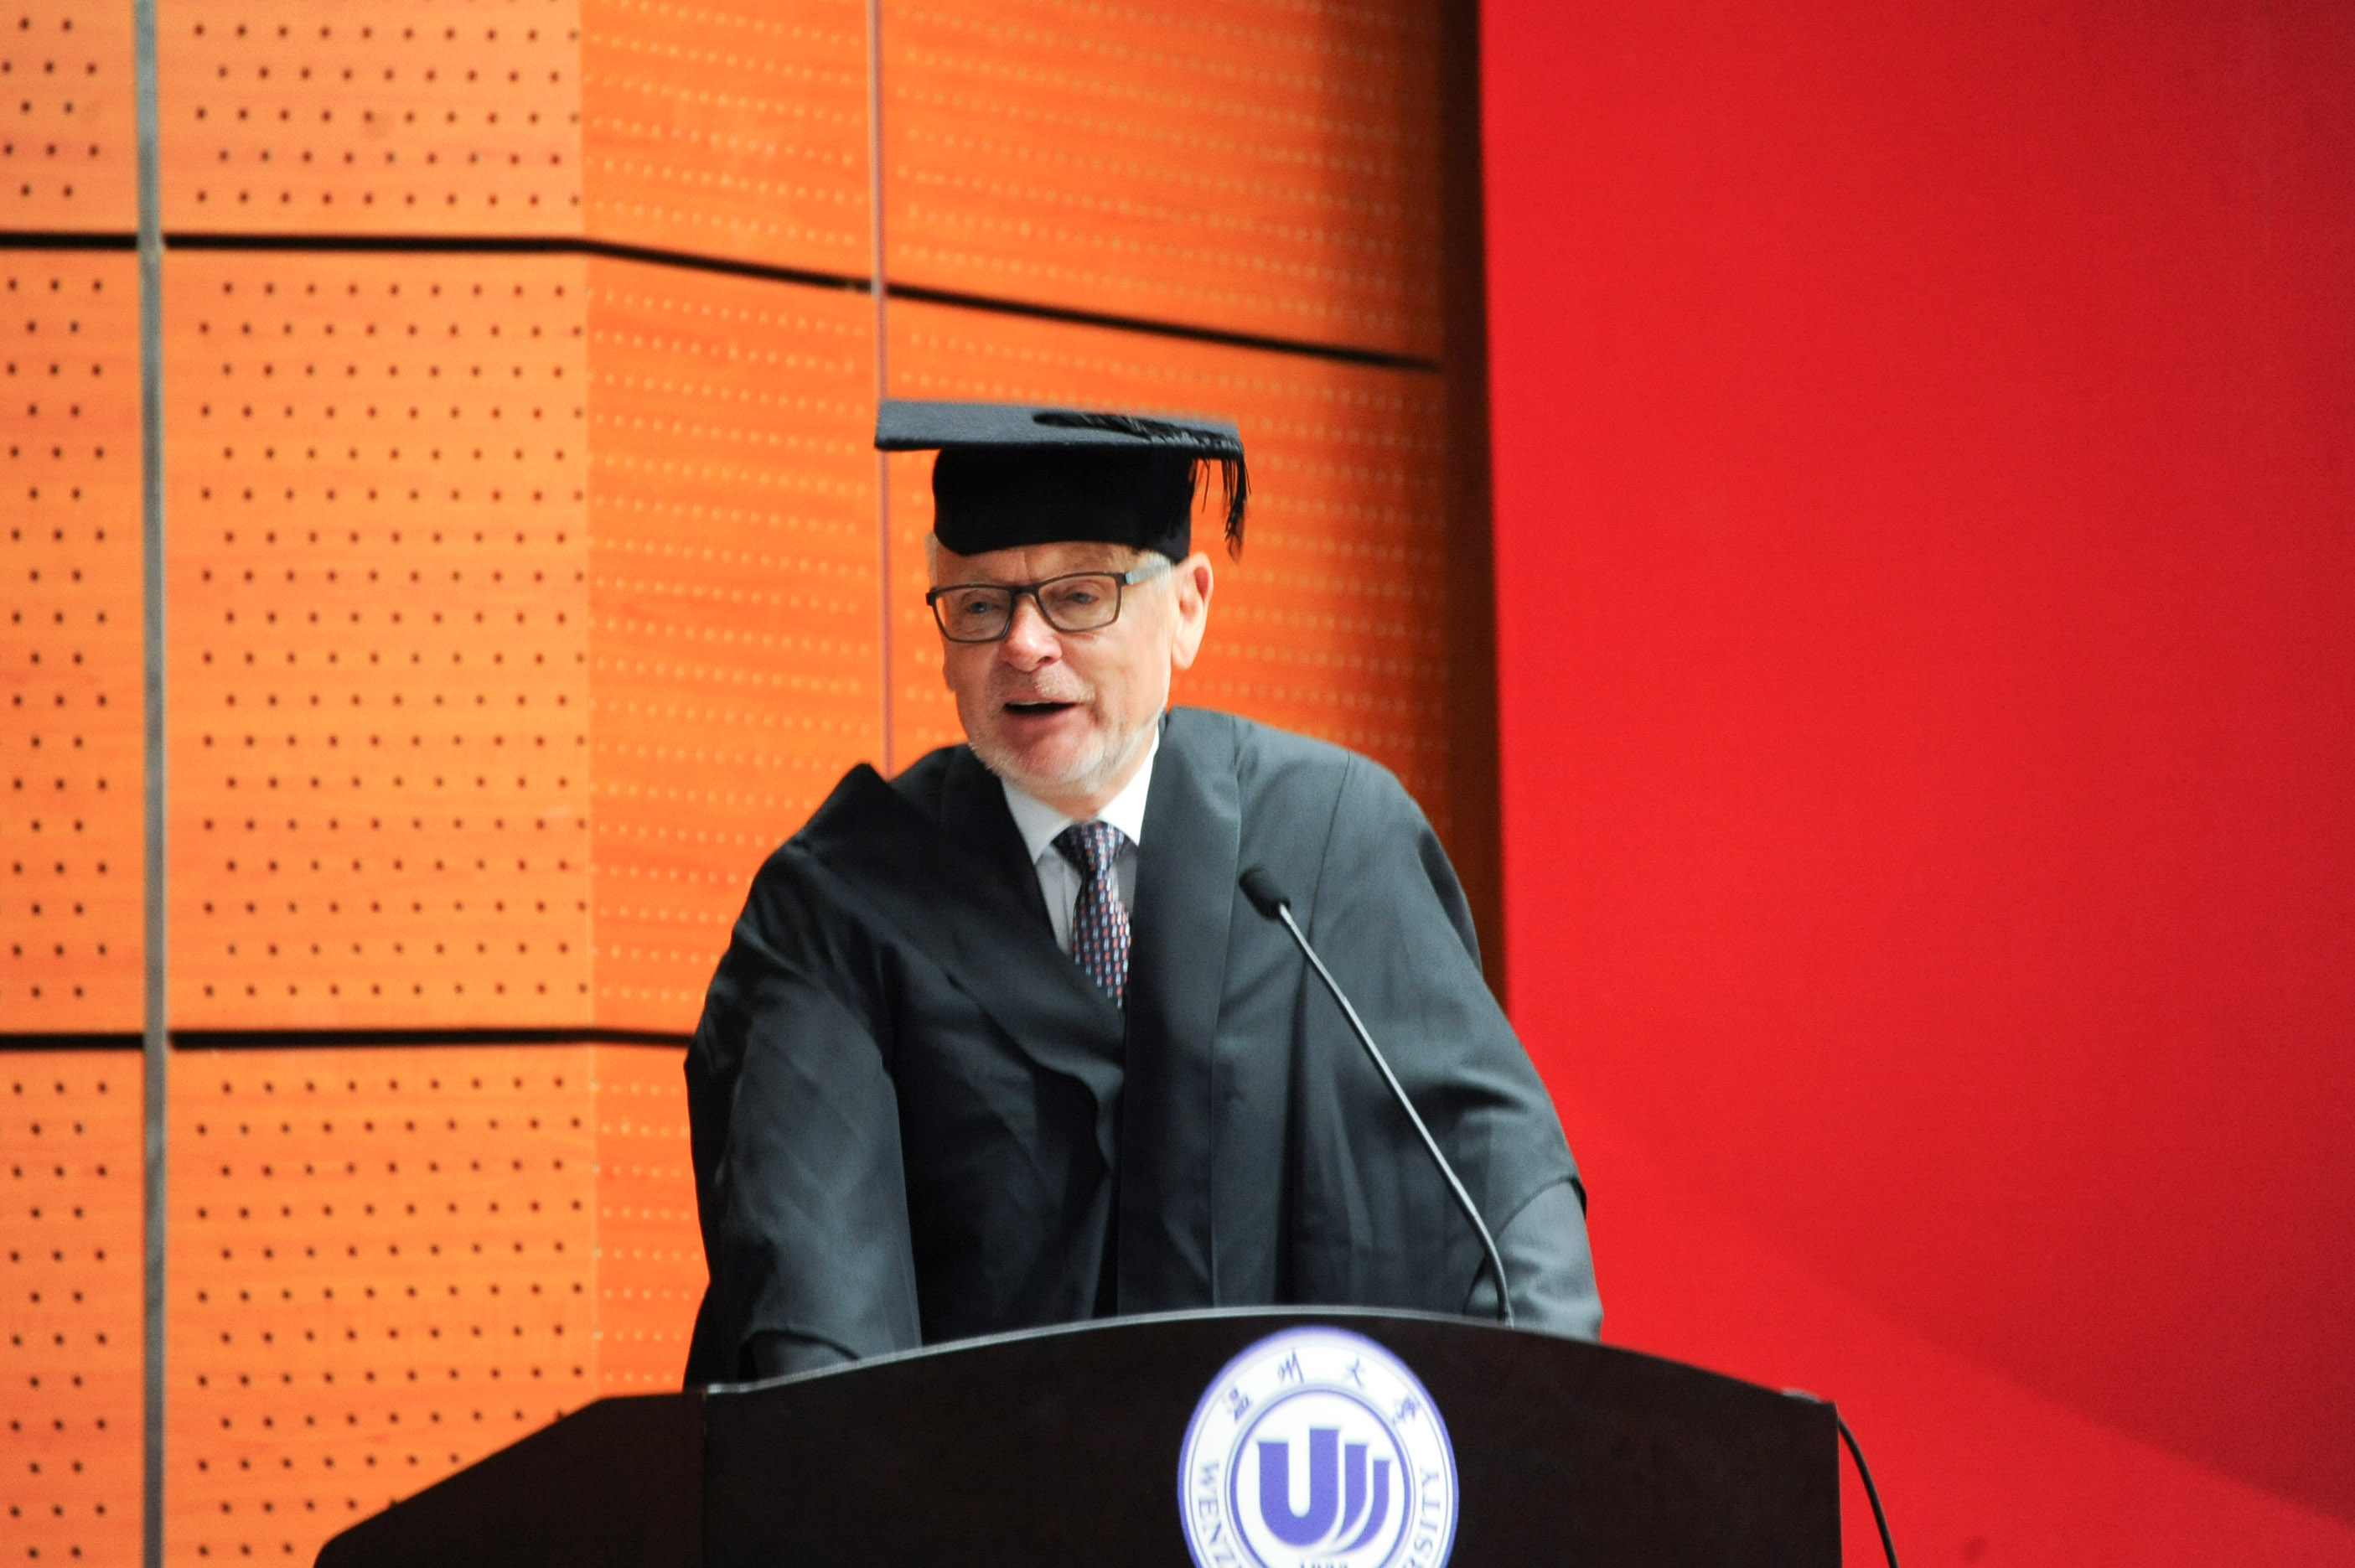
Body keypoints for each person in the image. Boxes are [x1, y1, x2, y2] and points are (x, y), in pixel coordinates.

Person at [682, 400, 1601, 1383]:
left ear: (1187, 606)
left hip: (1286, 1469)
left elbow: (1504, 1193)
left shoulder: (1332, 846)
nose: (1024, 644)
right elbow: (813, 1299)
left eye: (1078, 595)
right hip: (981, 1477)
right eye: (980, 605)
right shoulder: (844, 898)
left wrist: (1538, 1423)